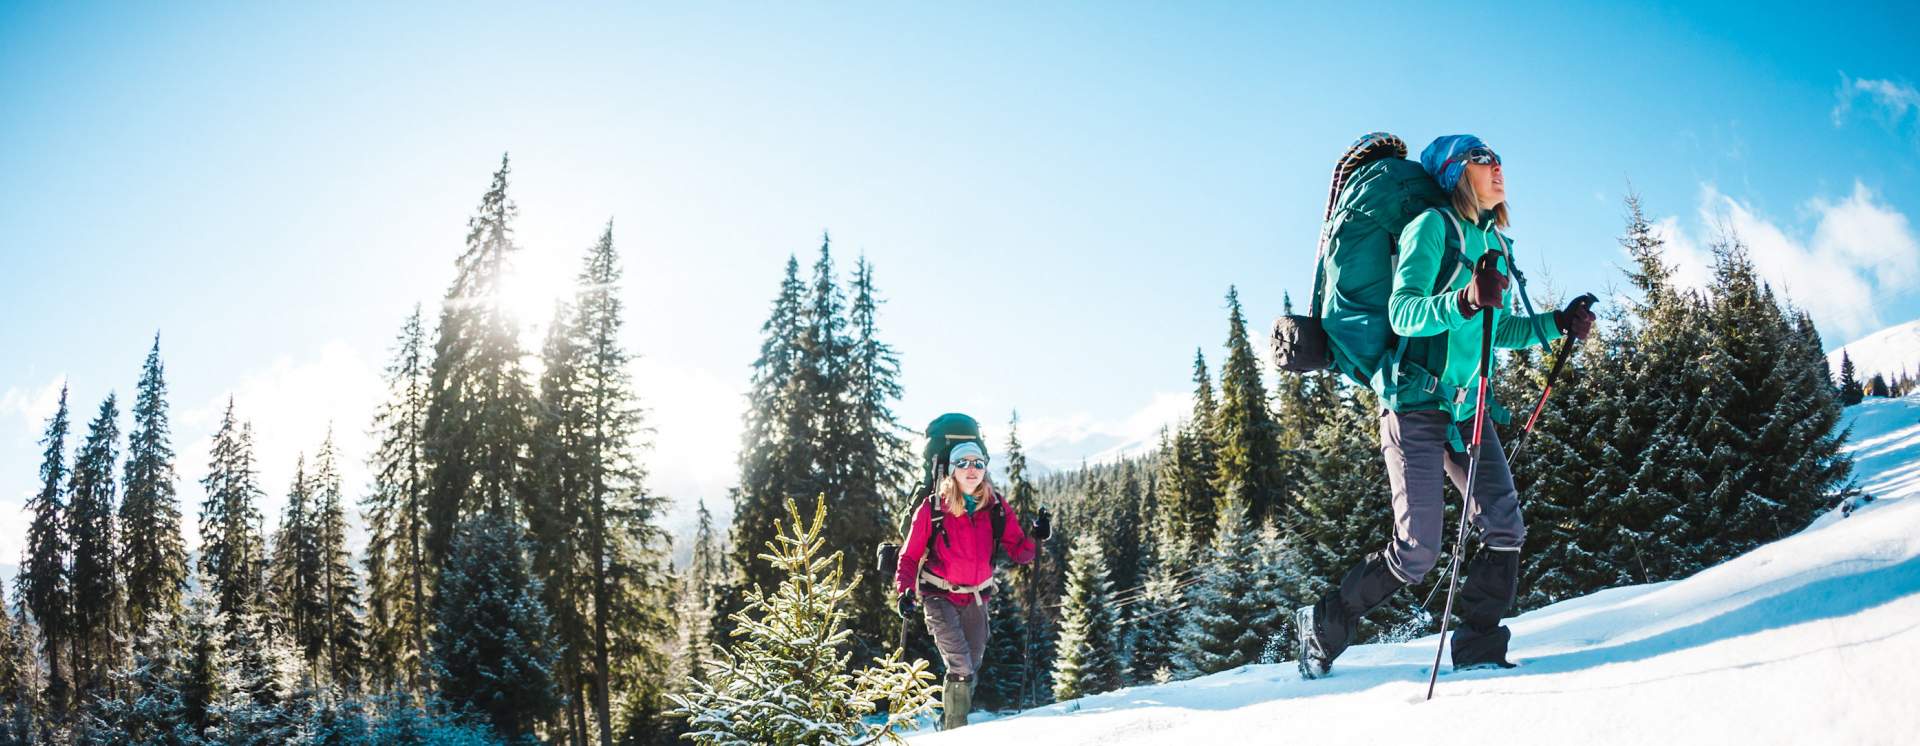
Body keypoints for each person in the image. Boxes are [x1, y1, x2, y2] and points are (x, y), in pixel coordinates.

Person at [1296, 134, 1596, 678]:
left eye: (1499, 158)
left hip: (1466, 411)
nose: (1497, 167)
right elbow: (1405, 312)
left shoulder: (1494, 244)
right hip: (1412, 400)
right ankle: (1323, 624)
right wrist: (1463, 298)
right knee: (1416, 552)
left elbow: (1496, 326)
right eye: (1484, 159)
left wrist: (1559, 322)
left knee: (1504, 525)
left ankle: (1480, 652)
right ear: (1457, 171)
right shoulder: (1431, 228)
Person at [894, 438, 1051, 729]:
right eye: (964, 463)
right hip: (939, 596)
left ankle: (949, 720)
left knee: (971, 666)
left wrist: (1037, 536)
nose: (971, 469)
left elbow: (1020, 551)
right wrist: (905, 590)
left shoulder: (995, 507)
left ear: (984, 469)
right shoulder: (932, 508)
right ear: (952, 470)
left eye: (978, 464)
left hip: (977, 599)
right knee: (961, 665)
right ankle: (956, 731)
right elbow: (909, 557)